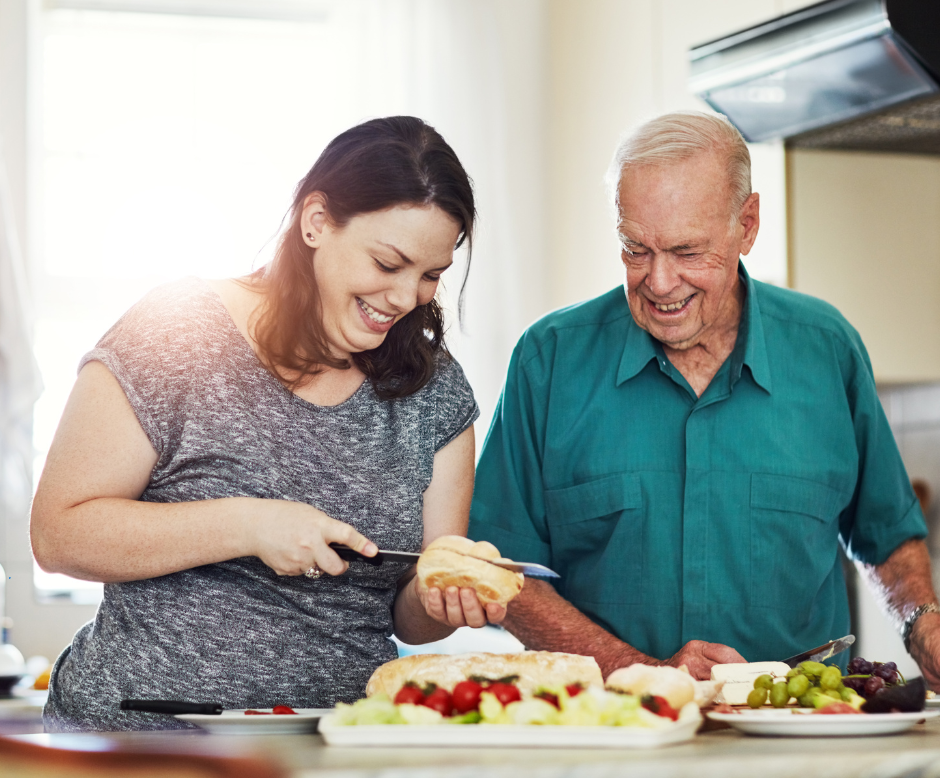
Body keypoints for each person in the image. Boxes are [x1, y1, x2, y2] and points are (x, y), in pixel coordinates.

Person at [31, 116, 503, 731]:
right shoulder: (176, 330)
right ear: (315, 222)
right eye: (388, 262)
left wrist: (444, 596)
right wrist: (250, 524)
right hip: (137, 747)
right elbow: (58, 535)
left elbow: (410, 613)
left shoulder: (434, 391)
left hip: (331, 755)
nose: (406, 296)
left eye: (431, 275)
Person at [468, 111, 940, 684]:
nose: (660, 282)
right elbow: (503, 572)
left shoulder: (827, 348)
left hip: (799, 747)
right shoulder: (548, 360)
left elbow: (886, 534)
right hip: (609, 744)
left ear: (748, 224)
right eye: (635, 249)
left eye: (688, 252)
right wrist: (642, 672)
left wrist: (922, 621)